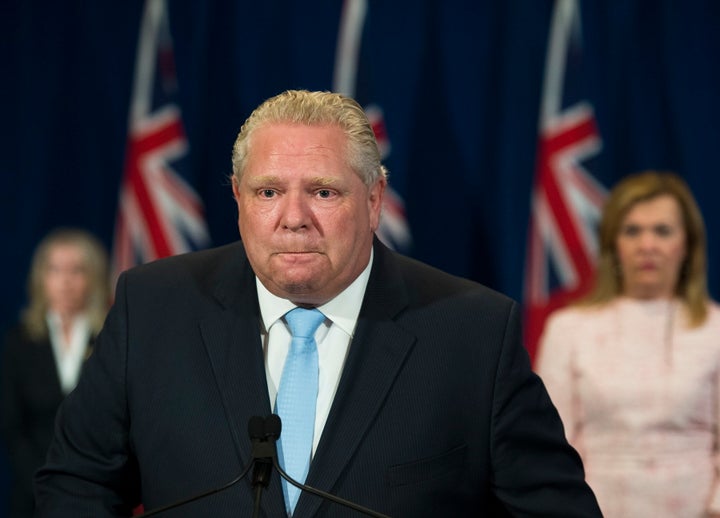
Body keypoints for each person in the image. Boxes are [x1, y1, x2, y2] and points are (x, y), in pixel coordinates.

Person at [34, 90, 600, 517]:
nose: (293, 217)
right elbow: (75, 485)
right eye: (269, 192)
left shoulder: (472, 333)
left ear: (374, 199)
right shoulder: (154, 307)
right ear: (238, 196)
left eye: (323, 192)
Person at [536, 171, 720, 517]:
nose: (646, 245)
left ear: (688, 244)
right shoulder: (567, 329)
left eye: (662, 231)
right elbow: (549, 446)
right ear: (612, 244)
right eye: (632, 230)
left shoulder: (716, 329)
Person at [1, 228, 110, 518]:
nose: (65, 281)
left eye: (77, 270)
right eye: (55, 269)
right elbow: (12, 425)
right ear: (41, 278)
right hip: (31, 494)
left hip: (97, 492)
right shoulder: (19, 341)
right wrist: (41, 482)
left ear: (93, 277)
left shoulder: (110, 339)